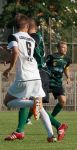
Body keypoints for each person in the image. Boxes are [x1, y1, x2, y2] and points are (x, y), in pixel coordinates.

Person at [3, 14, 56, 142]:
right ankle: (51, 136)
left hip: (24, 76)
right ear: (27, 26)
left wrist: (9, 69)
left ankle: (32, 103)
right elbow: (25, 52)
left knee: (7, 101)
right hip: (36, 76)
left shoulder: (13, 36)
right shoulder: (32, 39)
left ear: (16, 26)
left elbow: (16, 51)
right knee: (41, 107)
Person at [17, 18, 68, 141]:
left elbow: (25, 45)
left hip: (39, 73)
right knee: (36, 106)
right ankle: (57, 128)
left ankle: (19, 131)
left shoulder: (35, 37)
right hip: (38, 73)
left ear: (28, 27)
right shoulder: (35, 37)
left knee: (27, 100)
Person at [46, 41, 71, 118]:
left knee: (63, 101)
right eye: (63, 47)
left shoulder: (67, 59)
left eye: (66, 48)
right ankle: (28, 118)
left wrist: (68, 77)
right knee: (37, 100)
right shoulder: (51, 57)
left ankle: (51, 118)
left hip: (57, 83)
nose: (65, 49)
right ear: (58, 48)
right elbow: (43, 66)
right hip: (48, 81)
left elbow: (66, 68)